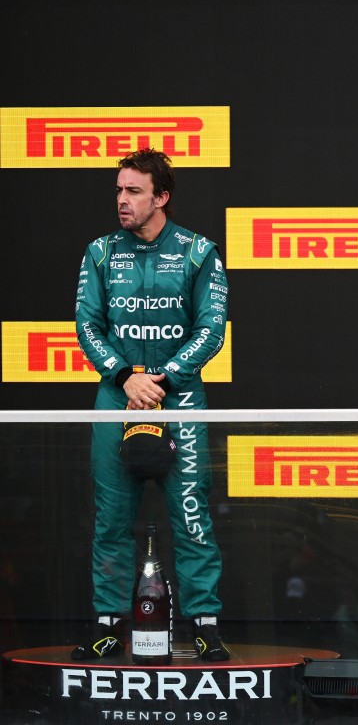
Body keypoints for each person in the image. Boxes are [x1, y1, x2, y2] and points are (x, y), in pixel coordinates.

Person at [73, 149, 230, 662]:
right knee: (112, 517)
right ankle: (107, 623)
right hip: (117, 396)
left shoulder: (198, 252)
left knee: (192, 513)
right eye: (119, 190)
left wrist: (163, 379)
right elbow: (88, 325)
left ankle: (205, 625)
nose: (122, 200)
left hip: (178, 396)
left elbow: (211, 328)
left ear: (161, 197)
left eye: (133, 191)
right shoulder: (99, 252)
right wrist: (126, 377)